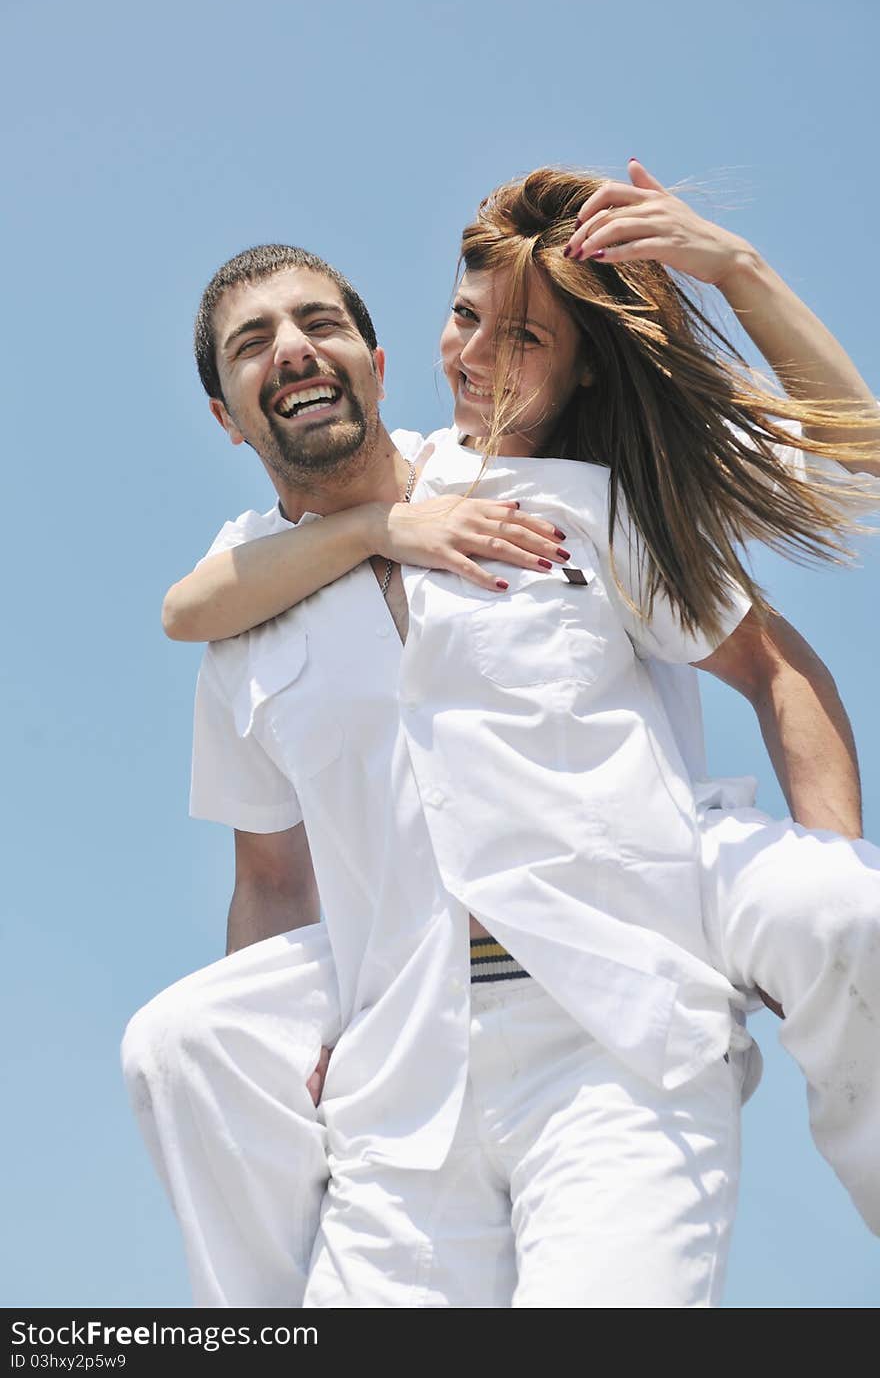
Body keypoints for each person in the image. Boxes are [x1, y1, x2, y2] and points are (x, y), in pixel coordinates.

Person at [123, 161, 880, 1308]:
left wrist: (820, 881)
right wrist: (309, 1049)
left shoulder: (561, 495)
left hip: (611, 1045)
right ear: (227, 419)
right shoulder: (243, 615)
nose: (290, 347)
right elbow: (272, 881)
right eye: (251, 342)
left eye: (318, 321)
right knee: (174, 1045)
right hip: (401, 1095)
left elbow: (824, 526)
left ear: (376, 368)